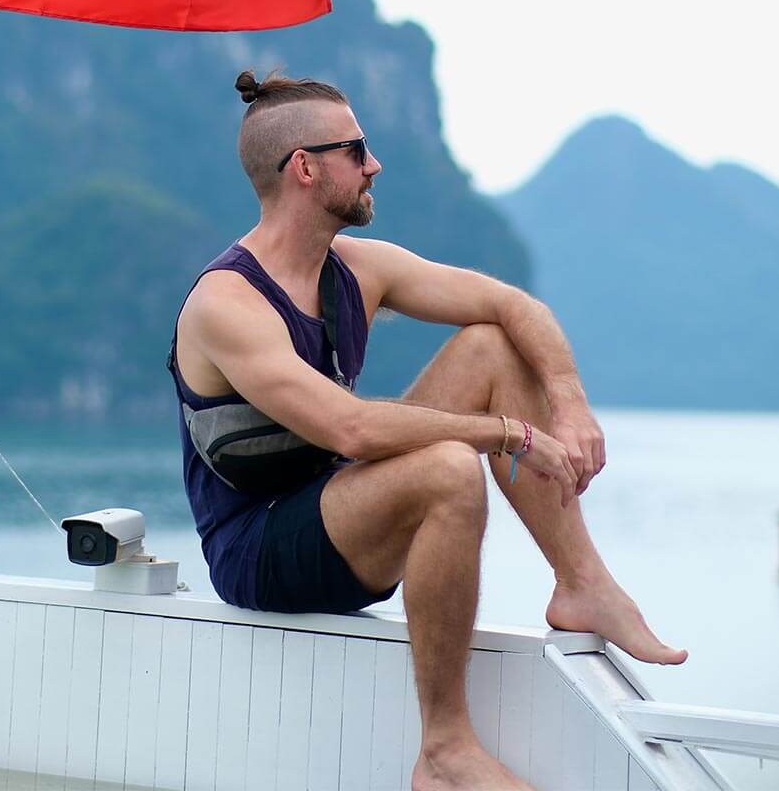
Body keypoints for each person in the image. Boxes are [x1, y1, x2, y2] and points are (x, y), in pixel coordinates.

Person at [168, 69, 687, 791]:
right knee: (447, 467)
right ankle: (445, 750)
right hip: (258, 549)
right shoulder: (228, 303)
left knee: (491, 344)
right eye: (357, 149)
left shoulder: (353, 268)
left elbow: (511, 304)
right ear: (306, 169)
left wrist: (567, 401)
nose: (374, 163)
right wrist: (510, 434)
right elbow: (349, 426)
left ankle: (582, 582)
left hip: (333, 502)